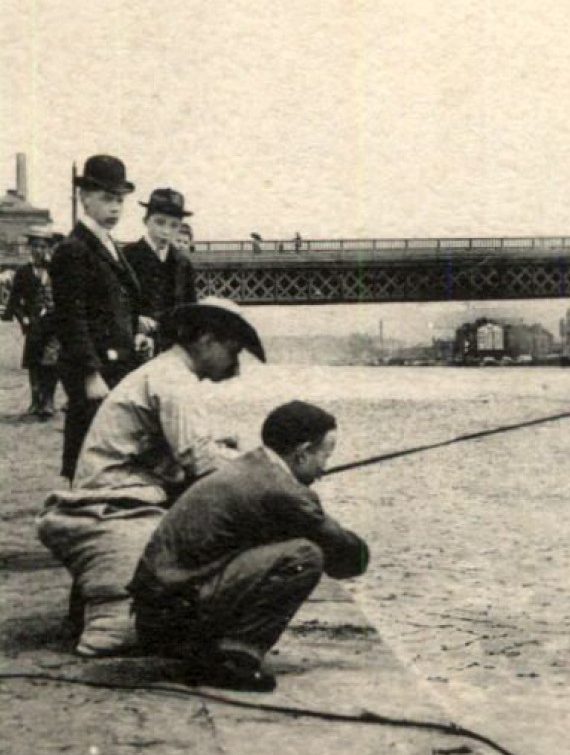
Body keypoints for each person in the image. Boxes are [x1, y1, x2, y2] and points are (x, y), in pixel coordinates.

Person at [37, 298, 265, 657]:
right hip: (121, 497)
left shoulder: (163, 371)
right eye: (233, 353)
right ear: (206, 339)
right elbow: (200, 460)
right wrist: (264, 472)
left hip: (116, 487)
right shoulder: (175, 381)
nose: (235, 369)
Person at [130, 401, 369, 691]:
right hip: (171, 617)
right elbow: (350, 560)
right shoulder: (283, 491)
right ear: (302, 453)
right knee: (305, 555)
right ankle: (234, 659)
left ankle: (212, 649)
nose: (324, 468)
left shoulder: (250, 465)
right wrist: (306, 501)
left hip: (156, 610)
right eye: (324, 456)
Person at [51, 154, 147, 479]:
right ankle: (72, 500)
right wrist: (90, 373)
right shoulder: (74, 248)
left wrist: (136, 331)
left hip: (118, 362)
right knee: (85, 435)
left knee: (107, 441)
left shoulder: (108, 244)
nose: (115, 208)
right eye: (107, 199)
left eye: (120, 200)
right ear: (84, 198)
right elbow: (71, 317)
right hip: (92, 367)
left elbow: (121, 302)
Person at [124, 188, 198, 356]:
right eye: (160, 222)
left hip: (172, 350)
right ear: (146, 221)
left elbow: (191, 310)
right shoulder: (127, 257)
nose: (166, 231)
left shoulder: (183, 264)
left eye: (174, 225)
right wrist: (134, 320)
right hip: (135, 349)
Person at [4, 227, 64, 418]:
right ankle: (35, 400)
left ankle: (49, 401)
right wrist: (24, 319)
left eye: (43, 246)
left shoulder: (57, 269)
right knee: (34, 363)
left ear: (49, 248)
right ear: (30, 248)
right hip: (34, 325)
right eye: (35, 246)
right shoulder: (23, 272)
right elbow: (14, 301)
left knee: (51, 362)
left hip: (55, 324)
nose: (39, 250)